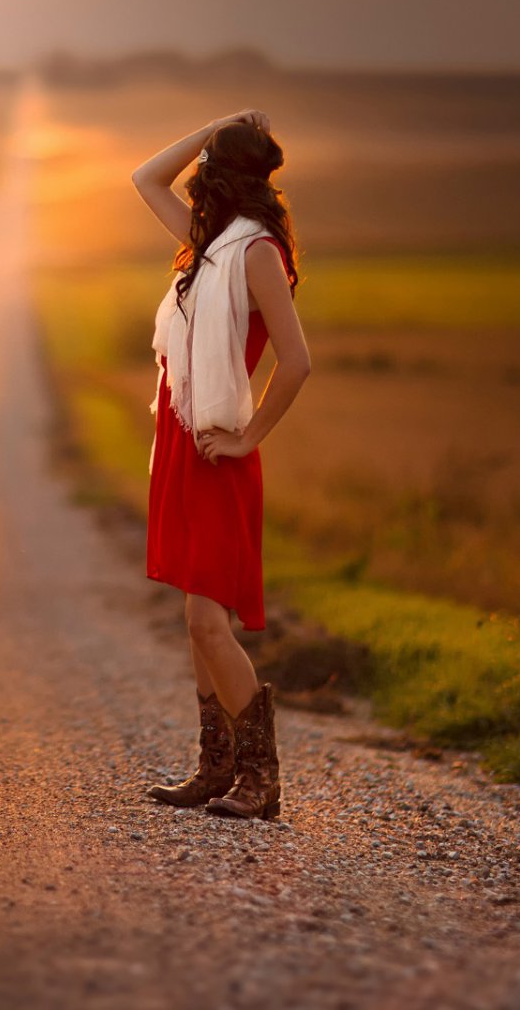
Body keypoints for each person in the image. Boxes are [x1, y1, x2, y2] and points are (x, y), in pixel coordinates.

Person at [131, 108, 310, 818]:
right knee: (195, 618)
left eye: (208, 170)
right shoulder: (212, 245)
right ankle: (217, 768)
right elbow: (145, 178)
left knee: (210, 622)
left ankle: (260, 781)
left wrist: (250, 436)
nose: (196, 183)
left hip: (217, 446)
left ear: (226, 180)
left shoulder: (256, 251)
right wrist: (213, 127)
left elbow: (297, 362)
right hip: (184, 440)